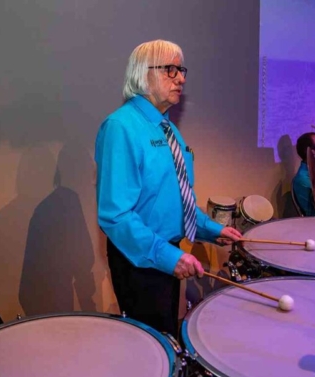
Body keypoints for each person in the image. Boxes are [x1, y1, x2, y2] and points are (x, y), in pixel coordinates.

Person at [95, 40, 242, 337]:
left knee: (168, 337)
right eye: (171, 70)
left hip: (167, 253)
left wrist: (212, 229)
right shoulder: (121, 127)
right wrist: (166, 256)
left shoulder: (168, 128)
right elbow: (116, 216)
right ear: (143, 74)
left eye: (181, 70)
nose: (181, 79)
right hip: (139, 260)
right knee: (154, 347)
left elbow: (177, 199)